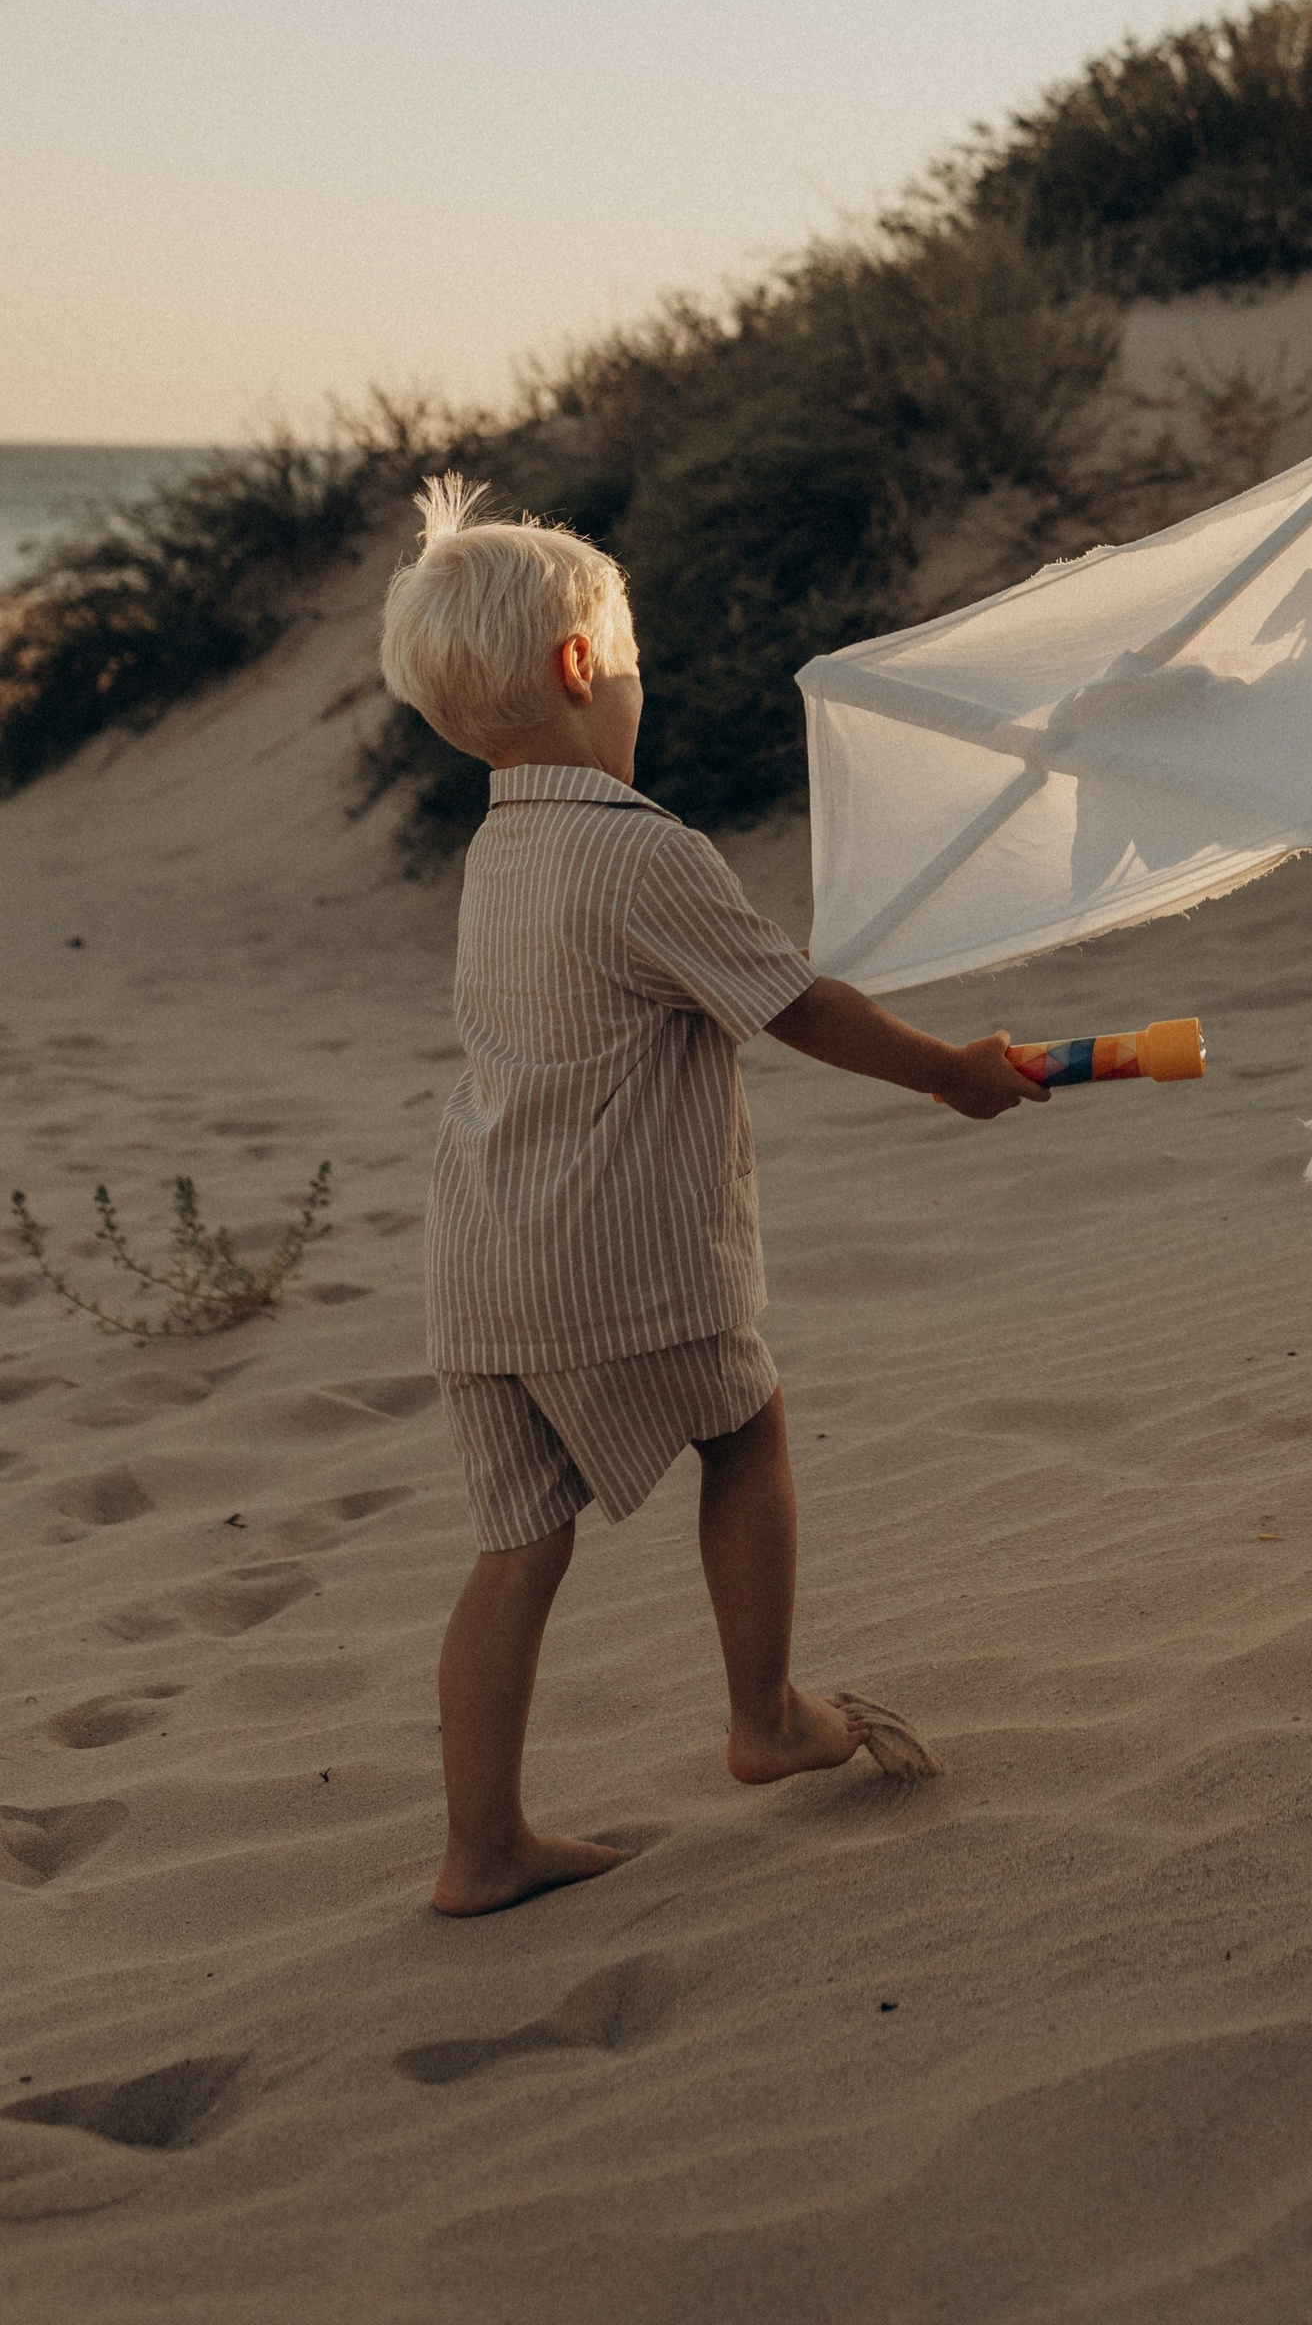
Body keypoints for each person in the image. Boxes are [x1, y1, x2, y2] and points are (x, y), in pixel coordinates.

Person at [378, 478, 1043, 1914]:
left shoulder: (499, 850)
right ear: (579, 666)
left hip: (481, 1259)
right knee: (745, 1432)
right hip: (614, 1251)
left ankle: (481, 1846)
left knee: (517, 1546)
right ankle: (766, 1717)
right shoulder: (639, 848)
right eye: (632, 665)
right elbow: (792, 1003)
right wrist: (951, 1073)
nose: (639, 691)